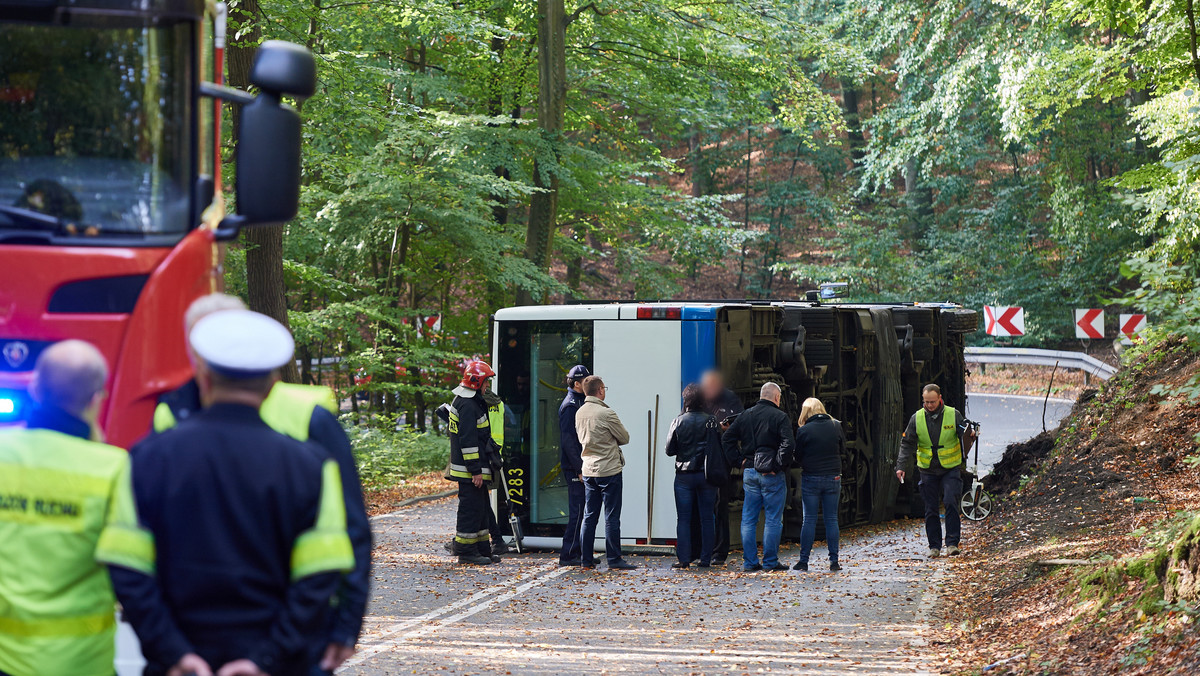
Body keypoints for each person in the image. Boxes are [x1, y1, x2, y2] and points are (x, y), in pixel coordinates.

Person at [96, 309, 355, 676]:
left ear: (203, 377)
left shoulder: (147, 457)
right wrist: (265, 659)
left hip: (177, 662)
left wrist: (175, 653)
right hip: (277, 665)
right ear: (271, 385)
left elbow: (128, 570)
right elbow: (319, 578)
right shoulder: (312, 466)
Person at [0, 341, 126, 676]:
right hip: (83, 662)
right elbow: (131, 572)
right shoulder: (113, 468)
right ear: (96, 398)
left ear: (34, 387)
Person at [722, 382, 794, 573]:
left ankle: (750, 563)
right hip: (771, 475)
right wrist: (777, 465)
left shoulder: (746, 415)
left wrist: (739, 462)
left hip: (750, 472)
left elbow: (727, 438)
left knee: (748, 519)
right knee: (772, 519)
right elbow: (788, 444)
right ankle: (770, 562)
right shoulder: (780, 417)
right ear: (776, 397)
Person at [896, 383, 969, 558]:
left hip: (950, 468)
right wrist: (901, 466)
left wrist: (970, 436)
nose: (929, 405)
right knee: (930, 508)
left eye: (932, 402)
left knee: (951, 501)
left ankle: (952, 543)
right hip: (928, 469)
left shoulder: (953, 415)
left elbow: (965, 434)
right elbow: (907, 444)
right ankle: (934, 546)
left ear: (940, 398)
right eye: (926, 402)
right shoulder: (917, 418)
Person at [575, 376, 638, 571]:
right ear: (600, 390)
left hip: (588, 469)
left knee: (589, 515)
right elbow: (624, 437)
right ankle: (614, 559)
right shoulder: (606, 413)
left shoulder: (579, 413)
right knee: (611, 516)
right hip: (609, 469)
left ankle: (586, 559)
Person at [447, 360, 499, 565]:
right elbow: (468, 442)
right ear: (476, 382)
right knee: (470, 510)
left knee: (479, 510)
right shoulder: (467, 404)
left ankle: (481, 549)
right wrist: (475, 470)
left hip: (473, 469)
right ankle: (467, 552)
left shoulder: (471, 401)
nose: (488, 386)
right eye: (486, 382)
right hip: (469, 471)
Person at [665, 384, 721, 569]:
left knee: (683, 518)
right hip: (706, 475)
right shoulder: (711, 421)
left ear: (686, 400)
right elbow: (717, 446)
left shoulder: (678, 421)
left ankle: (684, 559)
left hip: (683, 476)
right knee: (707, 517)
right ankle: (706, 559)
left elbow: (669, 450)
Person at [793, 398, 844, 572]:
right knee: (831, 519)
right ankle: (834, 561)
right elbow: (842, 449)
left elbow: (797, 456)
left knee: (809, 520)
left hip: (811, 478)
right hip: (833, 478)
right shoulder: (836, 425)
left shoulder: (804, 430)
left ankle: (804, 561)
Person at [699, 370, 742, 565]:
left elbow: (738, 424)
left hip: (719, 462)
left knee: (719, 506)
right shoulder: (698, 399)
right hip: (700, 459)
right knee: (700, 507)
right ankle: (701, 549)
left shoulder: (730, 399)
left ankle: (719, 551)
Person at [557, 364, 590, 566]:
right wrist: (579, 469)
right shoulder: (570, 405)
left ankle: (578, 552)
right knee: (577, 511)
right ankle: (568, 554)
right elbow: (569, 441)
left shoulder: (579, 400)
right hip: (574, 467)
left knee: (583, 510)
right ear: (576, 383)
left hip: (580, 465)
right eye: (585, 381)